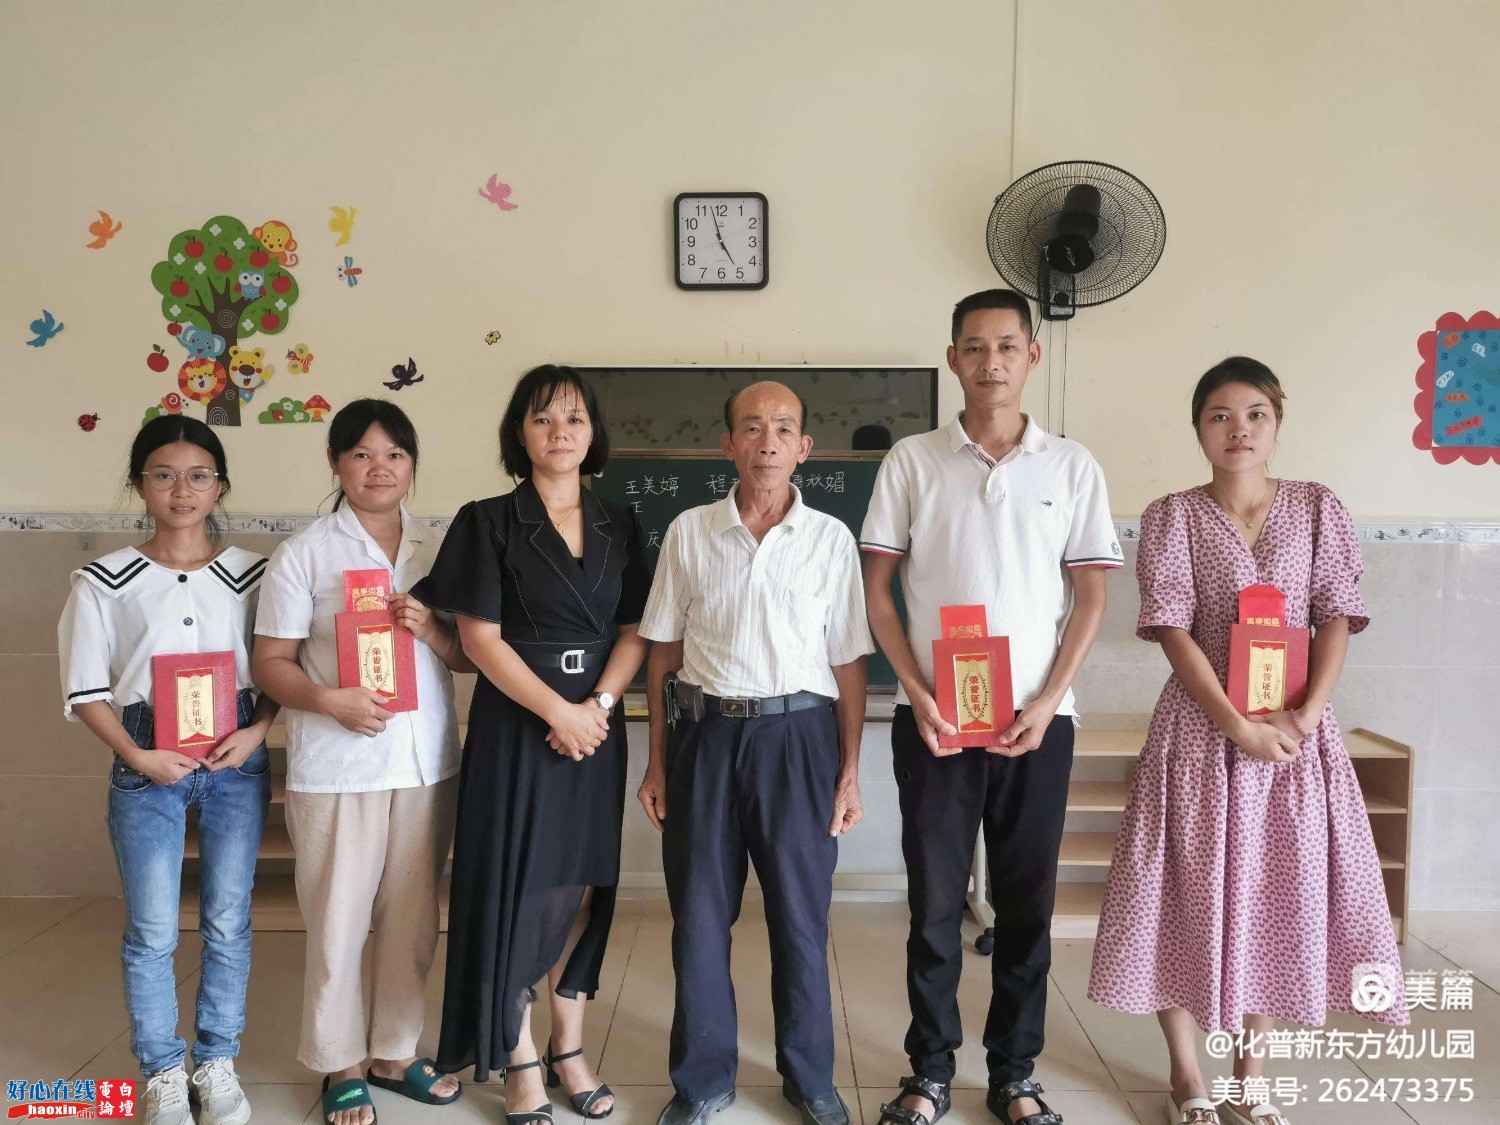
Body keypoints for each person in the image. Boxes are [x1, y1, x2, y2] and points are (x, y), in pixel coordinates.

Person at [1086, 358, 1407, 1125]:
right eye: (1220, 415)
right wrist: (1236, 724)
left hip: (1295, 739)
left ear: (1278, 422)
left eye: (1255, 413)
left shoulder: (1319, 507)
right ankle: (1187, 1076)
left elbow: (1336, 615)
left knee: (1276, 894)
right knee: (1177, 893)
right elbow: (1172, 627)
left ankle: (1249, 1080)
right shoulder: (1172, 516)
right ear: (1198, 428)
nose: (1239, 429)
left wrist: (1304, 716)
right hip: (1200, 736)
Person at [862, 289, 1121, 1125]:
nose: (991, 361)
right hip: (936, 722)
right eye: (973, 347)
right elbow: (877, 588)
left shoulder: (1071, 466)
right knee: (934, 904)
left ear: (1032, 355)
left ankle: (1015, 1073)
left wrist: (1047, 700)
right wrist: (915, 689)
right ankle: (930, 1069)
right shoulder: (912, 461)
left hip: (1037, 725)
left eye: (1007, 345)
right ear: (953, 360)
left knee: (1026, 905)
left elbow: (1091, 597)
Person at [413, 365, 651, 1124]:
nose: (560, 432)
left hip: (596, 729)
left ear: (593, 432)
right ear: (519, 433)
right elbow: (479, 639)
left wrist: (598, 707)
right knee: (518, 884)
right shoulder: (486, 520)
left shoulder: (623, 523)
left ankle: (568, 1047)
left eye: (574, 418)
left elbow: (636, 630)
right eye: (543, 418)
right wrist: (559, 711)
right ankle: (517, 1055)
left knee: (582, 882)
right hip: (519, 727)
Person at [636, 381, 873, 1125]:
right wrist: (657, 760)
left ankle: (809, 1077)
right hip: (705, 738)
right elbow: (662, 651)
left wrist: (849, 771)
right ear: (728, 443)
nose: (767, 442)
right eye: (752, 427)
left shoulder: (831, 539)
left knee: (800, 919)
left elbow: (849, 662)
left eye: (783, 429)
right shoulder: (690, 531)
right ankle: (702, 1081)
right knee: (700, 918)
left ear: (804, 448)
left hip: (799, 741)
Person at [253, 399, 470, 1125]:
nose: (380, 469)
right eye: (362, 454)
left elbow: (469, 655)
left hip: (425, 762)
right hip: (339, 765)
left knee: (413, 918)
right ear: (336, 463)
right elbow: (271, 662)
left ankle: (395, 1053)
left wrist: (432, 630)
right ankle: (339, 1062)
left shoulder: (439, 548)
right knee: (338, 920)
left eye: (395, 455)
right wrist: (328, 700)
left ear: (412, 465)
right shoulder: (305, 552)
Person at [58, 415, 275, 1125]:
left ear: (220, 486)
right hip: (145, 752)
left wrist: (258, 730)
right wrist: (136, 755)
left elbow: (280, 666)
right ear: (140, 484)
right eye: (163, 475)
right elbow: (86, 688)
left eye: (198, 475)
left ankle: (217, 1061)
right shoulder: (104, 580)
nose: (182, 490)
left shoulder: (255, 574)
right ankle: (161, 1071)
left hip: (236, 752)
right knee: (152, 929)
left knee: (228, 921)